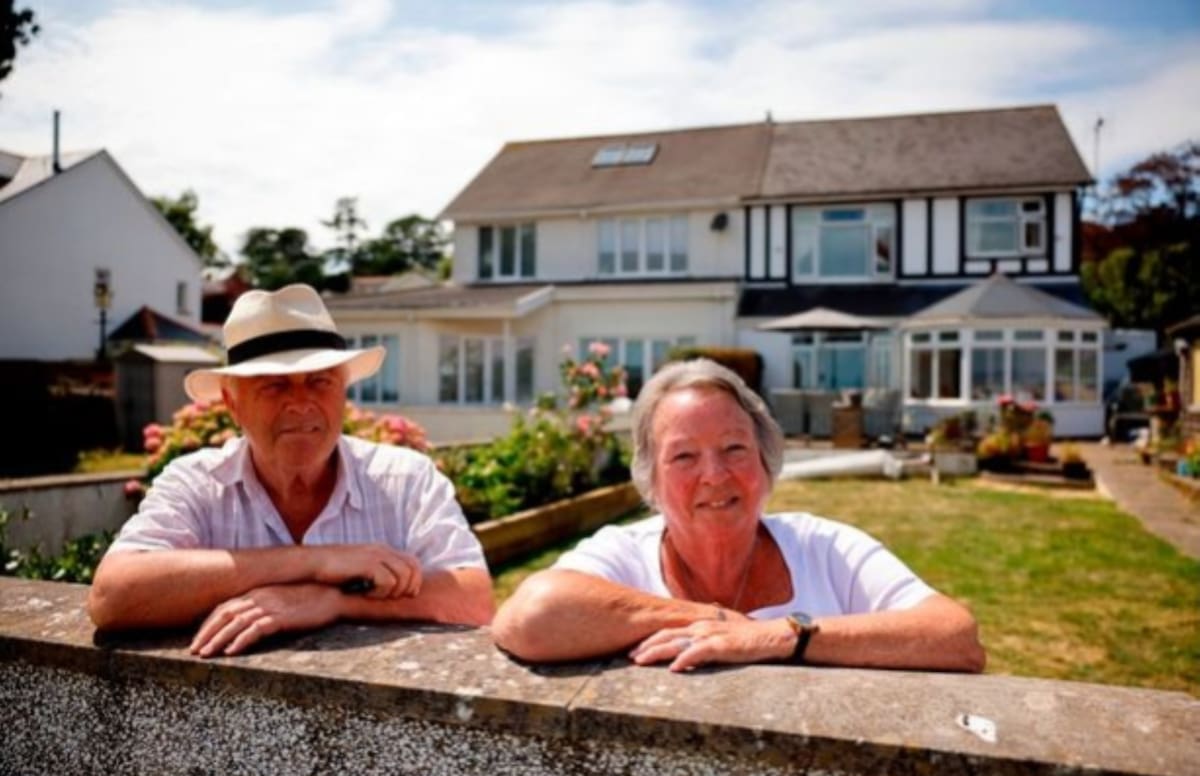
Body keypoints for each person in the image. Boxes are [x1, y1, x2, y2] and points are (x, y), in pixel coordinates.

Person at [492, 359, 985, 673]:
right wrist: (718, 621)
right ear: (651, 479)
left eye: (734, 448)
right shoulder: (624, 552)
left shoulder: (824, 545)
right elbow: (531, 617)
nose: (714, 475)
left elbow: (956, 637)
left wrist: (776, 637)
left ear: (765, 461)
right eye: (684, 457)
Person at [88, 284, 493, 657]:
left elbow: (473, 599)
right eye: (275, 385)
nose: (301, 403)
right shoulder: (195, 480)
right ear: (232, 403)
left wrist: (332, 602)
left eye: (320, 381)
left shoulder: (406, 478)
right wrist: (316, 561)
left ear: (343, 391)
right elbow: (113, 597)